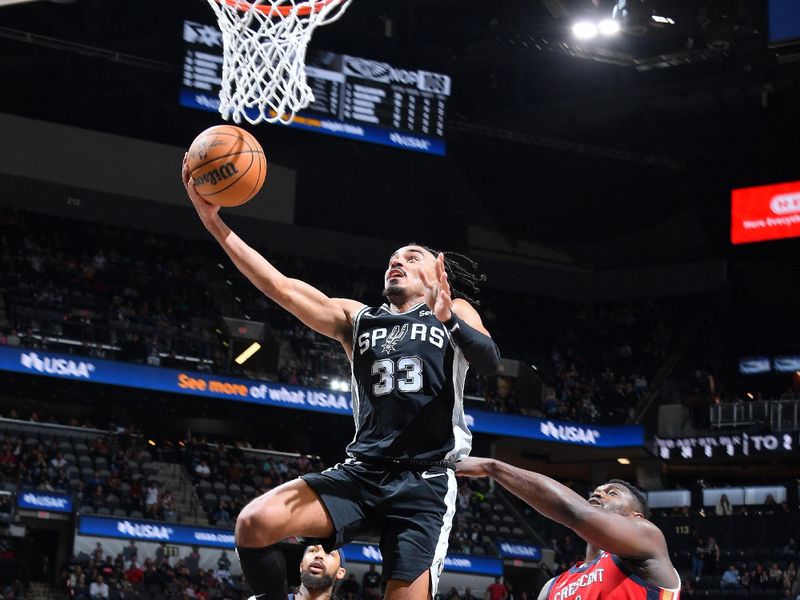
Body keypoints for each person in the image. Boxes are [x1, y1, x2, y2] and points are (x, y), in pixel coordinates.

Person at [182, 160, 499, 600]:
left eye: (411, 258)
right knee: (254, 523)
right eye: (392, 260)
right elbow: (280, 286)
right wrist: (212, 221)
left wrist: (451, 322)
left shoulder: (454, 313)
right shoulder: (357, 318)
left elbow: (490, 363)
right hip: (363, 471)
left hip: (424, 482)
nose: (397, 263)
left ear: (436, 273)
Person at [456, 458, 680, 599]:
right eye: (598, 489)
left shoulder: (650, 541)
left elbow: (577, 514)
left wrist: (492, 468)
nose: (599, 493)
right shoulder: (553, 586)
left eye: (612, 493)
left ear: (636, 517)